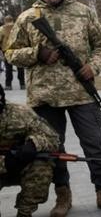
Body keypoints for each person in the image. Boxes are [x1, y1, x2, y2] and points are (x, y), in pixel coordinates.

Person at [4, 0, 101, 217]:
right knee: (53, 149)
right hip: (44, 96)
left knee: (95, 145)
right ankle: (63, 195)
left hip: (81, 93)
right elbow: (10, 53)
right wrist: (37, 53)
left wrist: (93, 66)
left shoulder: (83, 13)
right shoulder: (27, 17)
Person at [0, 83, 60, 217]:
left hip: (21, 165)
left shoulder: (19, 112)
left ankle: (24, 212)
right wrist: (5, 162)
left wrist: (33, 144)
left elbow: (52, 137)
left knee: (42, 167)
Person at [0, 15, 26, 90]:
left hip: (7, 51)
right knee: (20, 68)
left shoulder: (2, 29)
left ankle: (8, 85)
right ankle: (22, 84)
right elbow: (23, 38)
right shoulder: (18, 28)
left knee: (8, 69)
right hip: (18, 50)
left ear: (5, 20)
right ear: (12, 20)